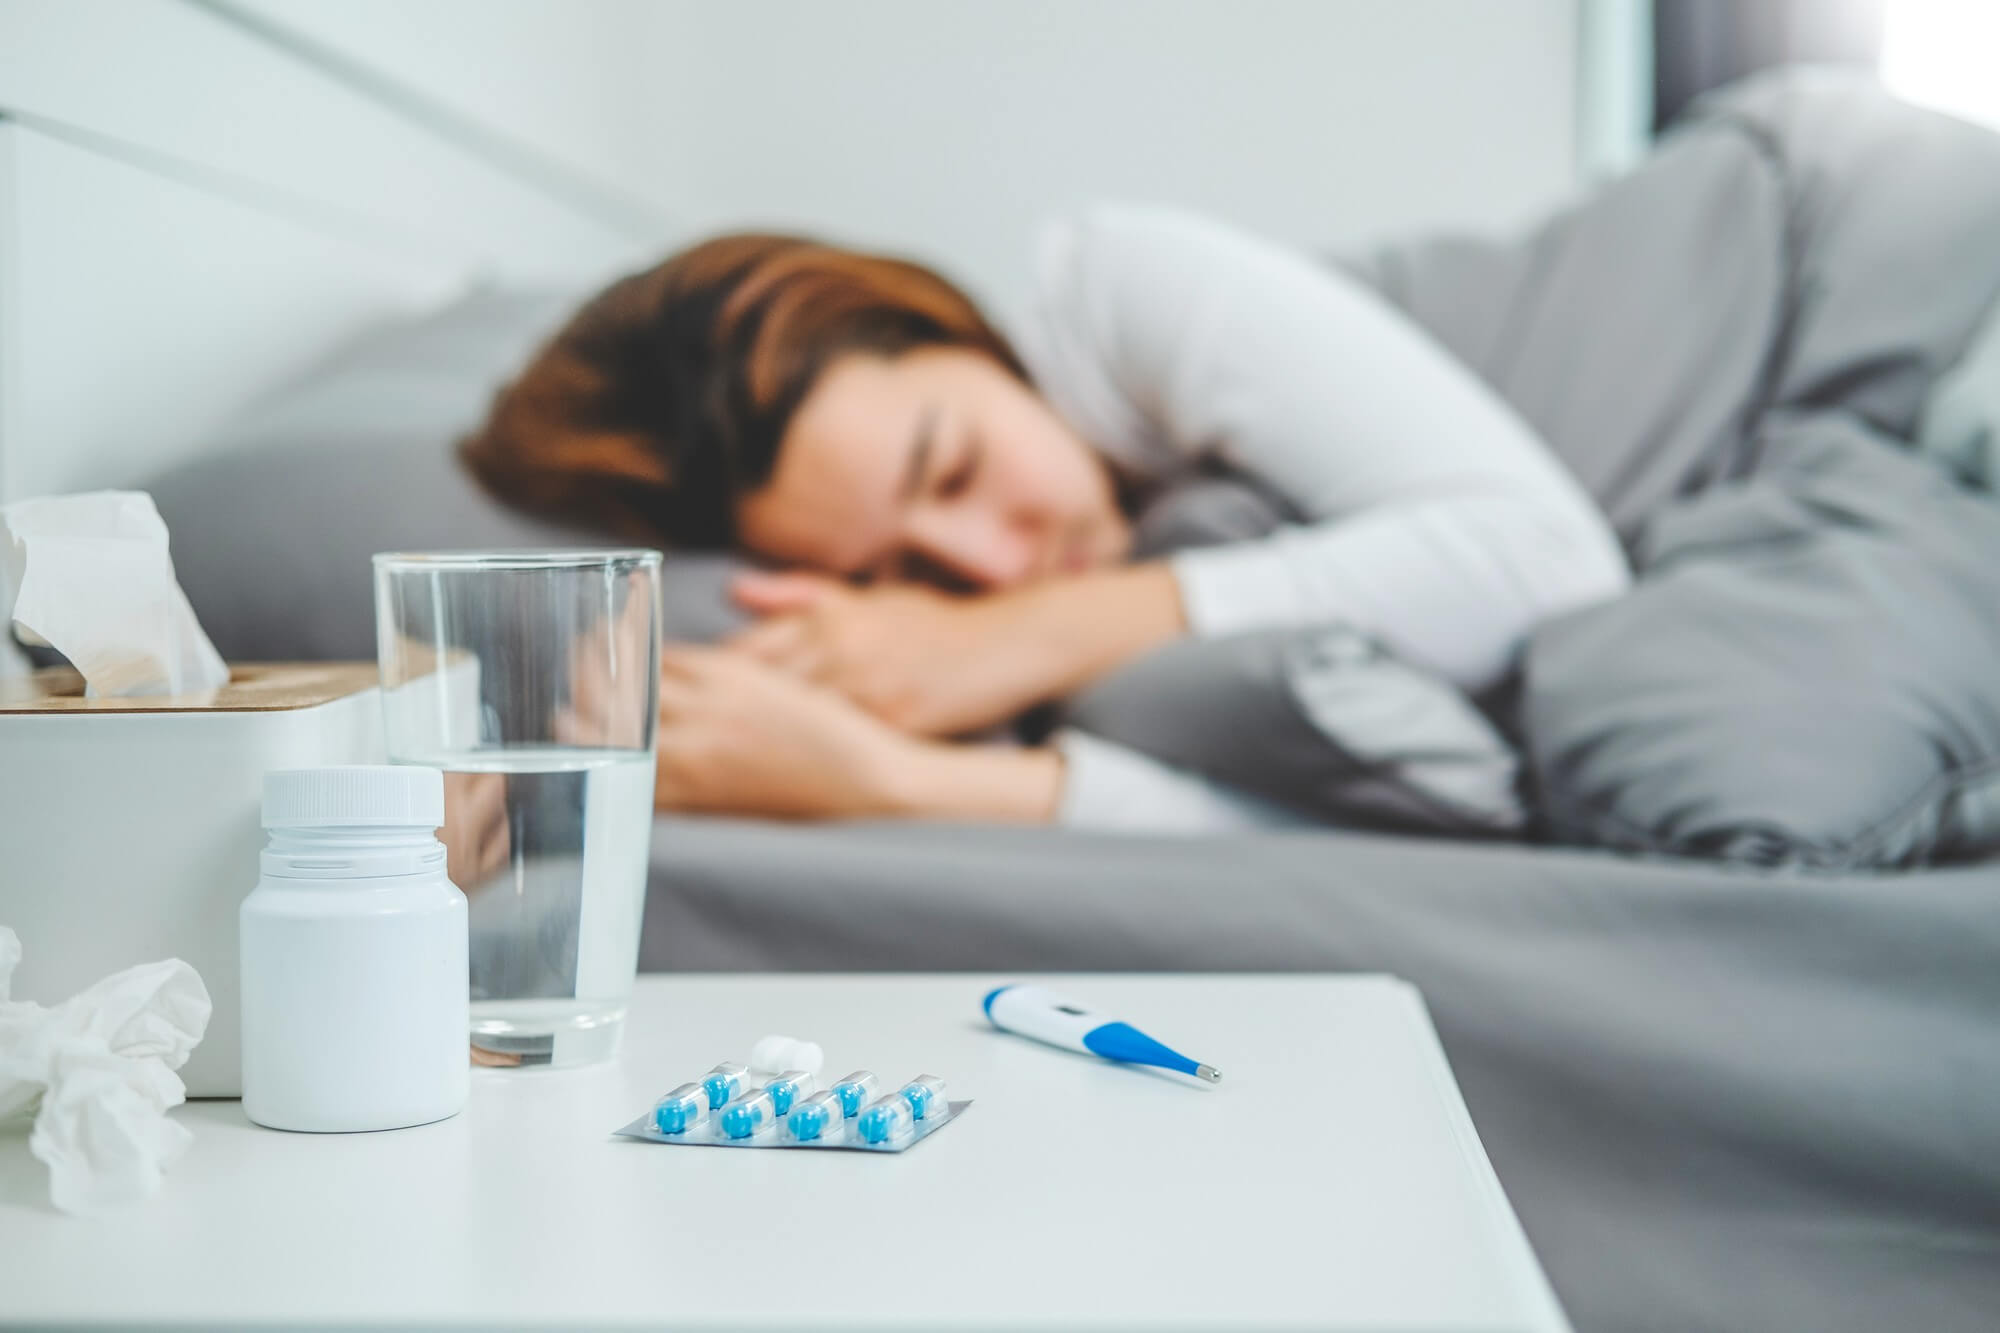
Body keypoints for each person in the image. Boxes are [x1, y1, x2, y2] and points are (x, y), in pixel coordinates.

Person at [460, 208, 1629, 829]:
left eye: (952, 464)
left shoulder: (1122, 292)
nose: (992, 560)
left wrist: (1009, 637)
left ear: (956, 331)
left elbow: (1549, 564)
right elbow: (1327, 842)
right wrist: (895, 781)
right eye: (902, 568)